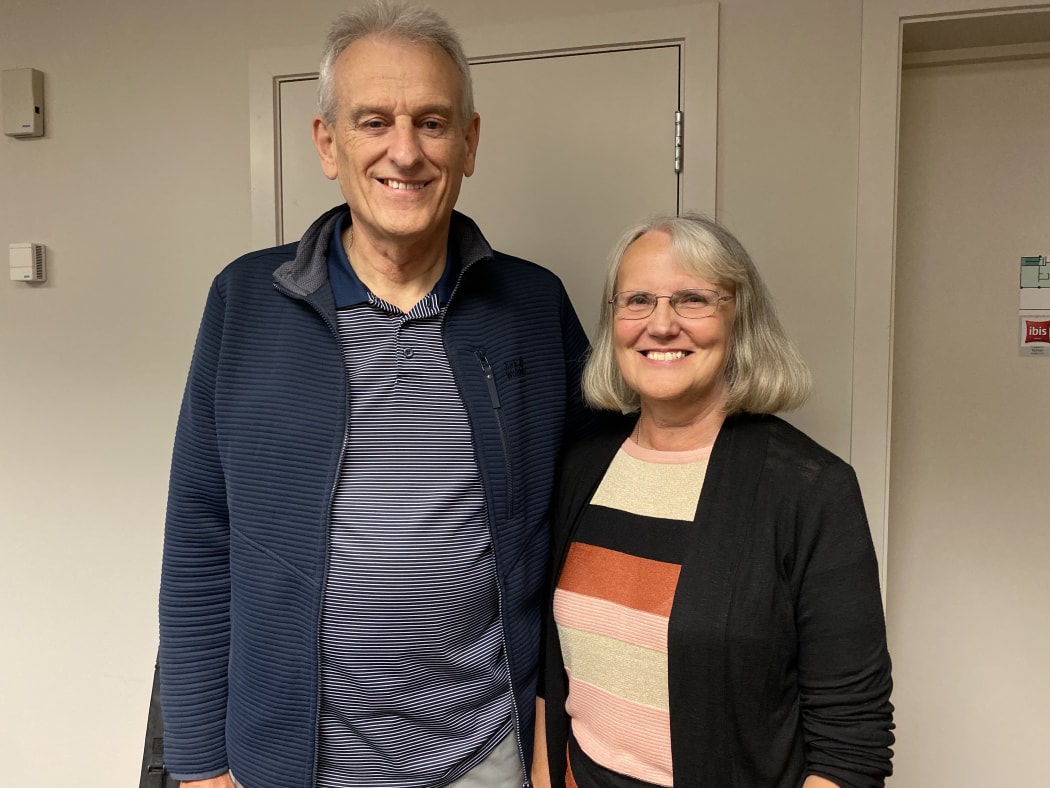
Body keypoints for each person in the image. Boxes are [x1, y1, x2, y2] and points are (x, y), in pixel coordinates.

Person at [158, 3, 591, 787]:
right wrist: (197, 762)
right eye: (373, 121)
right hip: (290, 762)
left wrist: (564, 720)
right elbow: (198, 534)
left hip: (486, 757)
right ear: (328, 144)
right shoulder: (246, 302)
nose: (406, 151)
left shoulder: (532, 307)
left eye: (432, 122)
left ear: (469, 142)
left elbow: (589, 524)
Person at [534, 214, 894, 788]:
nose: (661, 324)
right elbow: (556, 673)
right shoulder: (584, 465)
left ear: (740, 317)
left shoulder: (811, 489)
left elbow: (852, 741)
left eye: (693, 299)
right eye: (638, 300)